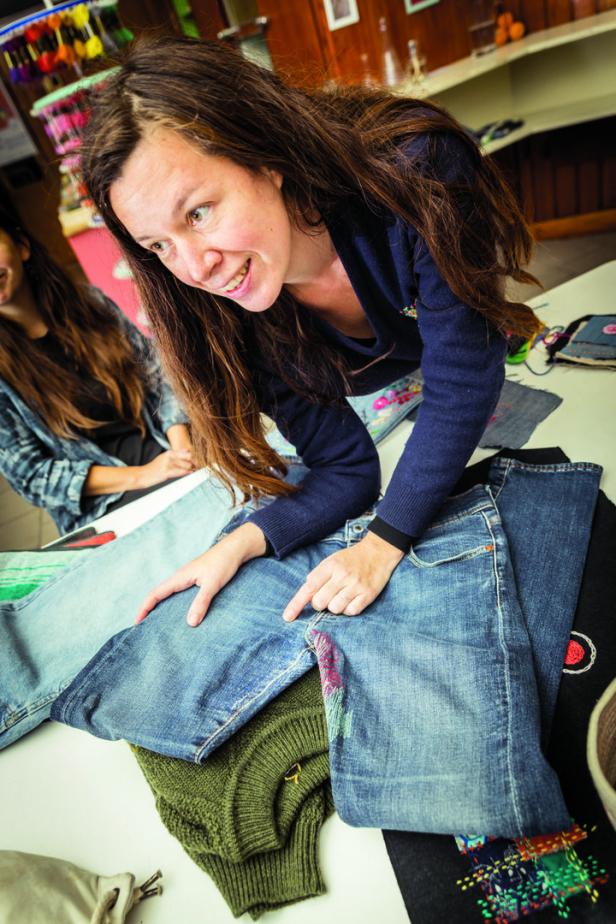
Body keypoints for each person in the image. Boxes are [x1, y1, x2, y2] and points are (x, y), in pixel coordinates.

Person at [82, 35, 541, 626]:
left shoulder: (416, 170)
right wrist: (243, 542)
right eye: (159, 245)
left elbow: (464, 376)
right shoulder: (232, 319)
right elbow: (345, 466)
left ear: (264, 158)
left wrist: (382, 545)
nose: (195, 268)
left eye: (198, 213)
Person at [0, 207, 194, 536]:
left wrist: (180, 447)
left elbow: (158, 372)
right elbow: (31, 476)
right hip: (107, 500)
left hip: (170, 447)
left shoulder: (90, 304)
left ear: (22, 247)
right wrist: (144, 475)